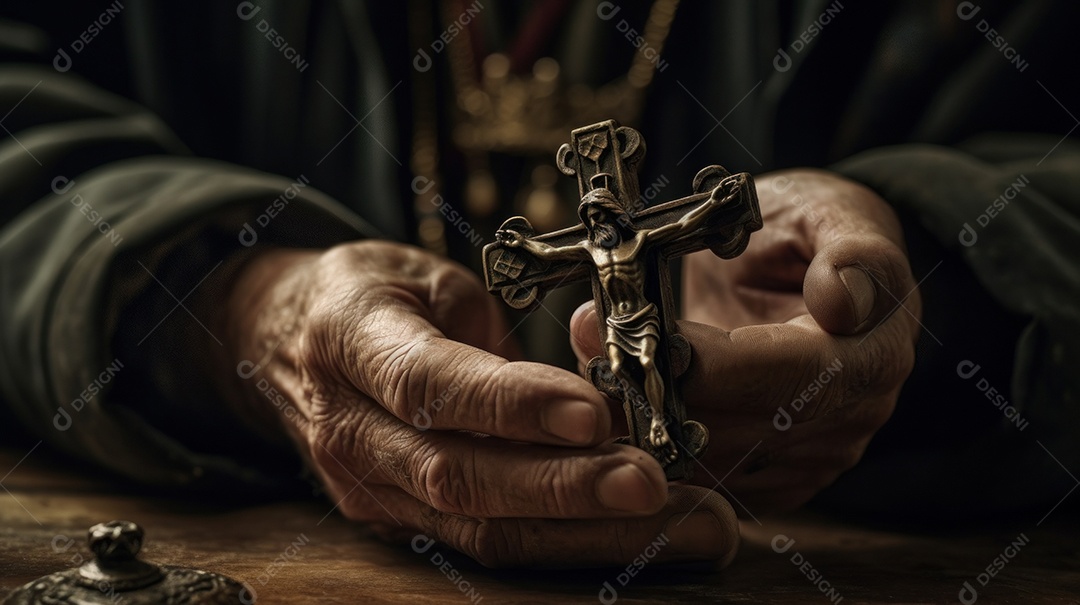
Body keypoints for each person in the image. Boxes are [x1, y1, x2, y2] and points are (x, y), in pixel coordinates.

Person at [1, 1, 1077, 569]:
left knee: (648, 360)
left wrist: (927, 284)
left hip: (860, 539)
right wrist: (232, 306)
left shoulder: (647, 227)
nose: (607, 212)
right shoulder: (602, 238)